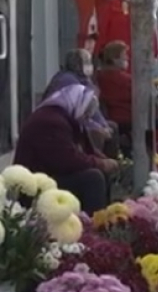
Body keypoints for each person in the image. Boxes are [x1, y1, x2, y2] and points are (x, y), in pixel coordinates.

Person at [13, 84, 119, 215]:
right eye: (86, 112)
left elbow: (85, 149)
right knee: (93, 178)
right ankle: (92, 226)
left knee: (100, 172)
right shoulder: (50, 121)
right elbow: (66, 160)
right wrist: (100, 163)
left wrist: (103, 160)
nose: (87, 117)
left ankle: (104, 218)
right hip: (36, 185)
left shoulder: (67, 117)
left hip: (52, 174)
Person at [43, 49, 118, 157]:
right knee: (99, 134)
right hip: (64, 125)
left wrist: (103, 126)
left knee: (111, 128)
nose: (90, 65)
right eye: (87, 62)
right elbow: (77, 114)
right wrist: (98, 128)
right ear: (77, 64)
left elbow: (92, 112)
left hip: (77, 122)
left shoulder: (83, 80)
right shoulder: (67, 81)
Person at [95, 0, 158, 69]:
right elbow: (151, 31)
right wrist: (154, 52)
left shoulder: (110, 6)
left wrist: (98, 52)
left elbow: (102, 32)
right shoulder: (143, 8)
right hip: (140, 58)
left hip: (115, 59)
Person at [96, 41, 133, 135]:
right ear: (114, 59)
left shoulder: (98, 77)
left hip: (107, 120)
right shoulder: (126, 80)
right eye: (124, 55)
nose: (127, 58)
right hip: (128, 120)